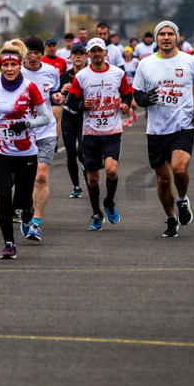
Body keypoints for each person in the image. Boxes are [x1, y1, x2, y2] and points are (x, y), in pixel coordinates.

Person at [132, 20, 194, 237]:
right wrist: (146, 98)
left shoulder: (190, 61)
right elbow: (136, 95)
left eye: (170, 34)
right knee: (163, 179)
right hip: (156, 129)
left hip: (183, 125)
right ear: (156, 39)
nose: (166, 38)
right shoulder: (145, 64)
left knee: (179, 169)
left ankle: (182, 200)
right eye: (162, 34)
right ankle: (170, 218)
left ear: (177, 37)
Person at [0, 39, 52, 259]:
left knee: (21, 199)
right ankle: (9, 243)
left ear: (19, 65)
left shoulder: (30, 88)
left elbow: (45, 117)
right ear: (0, 66)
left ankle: (27, 208)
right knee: (3, 196)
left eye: (13, 65)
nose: (9, 69)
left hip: (26, 151)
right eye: (5, 65)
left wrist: (27, 124)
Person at [65, 38, 134, 231]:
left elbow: (127, 93)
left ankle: (109, 202)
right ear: (88, 54)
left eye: (99, 51)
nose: (96, 54)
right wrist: (81, 105)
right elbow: (70, 102)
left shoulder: (117, 73)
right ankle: (96, 213)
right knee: (93, 178)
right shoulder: (82, 76)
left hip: (112, 131)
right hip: (91, 133)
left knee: (112, 170)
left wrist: (125, 104)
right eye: (93, 51)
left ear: (106, 53)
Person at [20, 36, 63, 241]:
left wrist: (57, 98)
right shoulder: (16, 71)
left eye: (38, 53)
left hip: (46, 130)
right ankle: (25, 208)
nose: (34, 57)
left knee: (41, 176)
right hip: (22, 132)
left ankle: (36, 223)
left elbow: (54, 94)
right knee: (23, 178)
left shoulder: (51, 72)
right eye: (30, 53)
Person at [59, 43, 88, 199]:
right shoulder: (64, 76)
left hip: (84, 116)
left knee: (81, 152)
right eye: (75, 54)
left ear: (86, 56)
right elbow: (56, 98)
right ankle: (76, 185)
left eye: (81, 53)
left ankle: (86, 169)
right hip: (69, 116)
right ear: (70, 57)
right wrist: (62, 91)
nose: (78, 56)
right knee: (70, 153)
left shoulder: (91, 74)